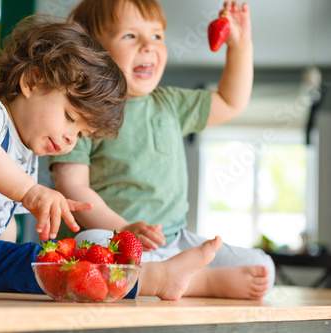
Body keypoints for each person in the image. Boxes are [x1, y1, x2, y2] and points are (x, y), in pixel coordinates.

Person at [0, 15, 224, 301]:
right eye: (68, 117)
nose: (68, 139)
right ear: (31, 81)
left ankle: (151, 279)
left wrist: (6, 247)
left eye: (79, 135)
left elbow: (1, 223)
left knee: (44, 262)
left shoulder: (27, 156)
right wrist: (30, 193)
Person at [50, 0, 275, 300]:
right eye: (130, 36)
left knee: (262, 266)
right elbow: (72, 186)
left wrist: (240, 44)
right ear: (92, 51)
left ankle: (175, 272)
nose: (148, 46)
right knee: (91, 251)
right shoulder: (82, 110)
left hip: (174, 240)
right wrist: (124, 229)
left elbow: (231, 101)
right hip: (114, 242)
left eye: (156, 36)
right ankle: (198, 282)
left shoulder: (170, 104)